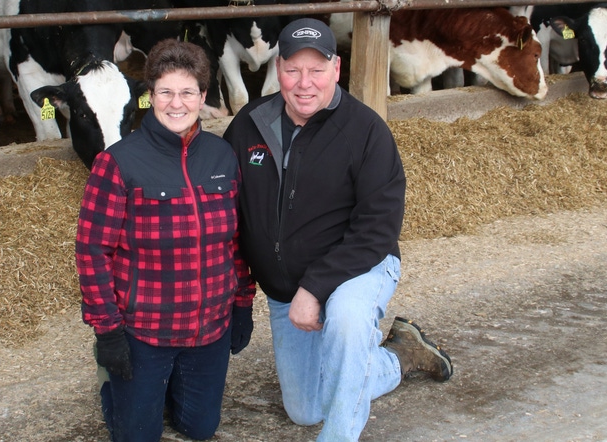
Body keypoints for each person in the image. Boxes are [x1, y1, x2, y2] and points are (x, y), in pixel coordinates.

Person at [222, 17, 453, 441]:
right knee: (307, 409)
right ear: (278, 70)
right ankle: (401, 355)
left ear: (336, 69)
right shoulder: (250, 125)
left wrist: (314, 289)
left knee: (346, 319)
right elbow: (224, 205)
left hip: (356, 271)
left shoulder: (365, 132)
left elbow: (377, 229)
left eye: (317, 70)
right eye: (293, 69)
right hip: (284, 290)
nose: (304, 83)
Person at [75, 38, 256, 442]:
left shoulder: (221, 156)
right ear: (150, 96)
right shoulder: (118, 162)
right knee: (138, 435)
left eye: (188, 92)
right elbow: (92, 251)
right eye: (166, 92)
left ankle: (167, 388)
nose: (177, 103)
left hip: (210, 328)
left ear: (203, 96)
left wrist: (242, 302)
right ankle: (114, 384)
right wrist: (107, 330)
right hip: (146, 331)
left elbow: (237, 241)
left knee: (200, 429)